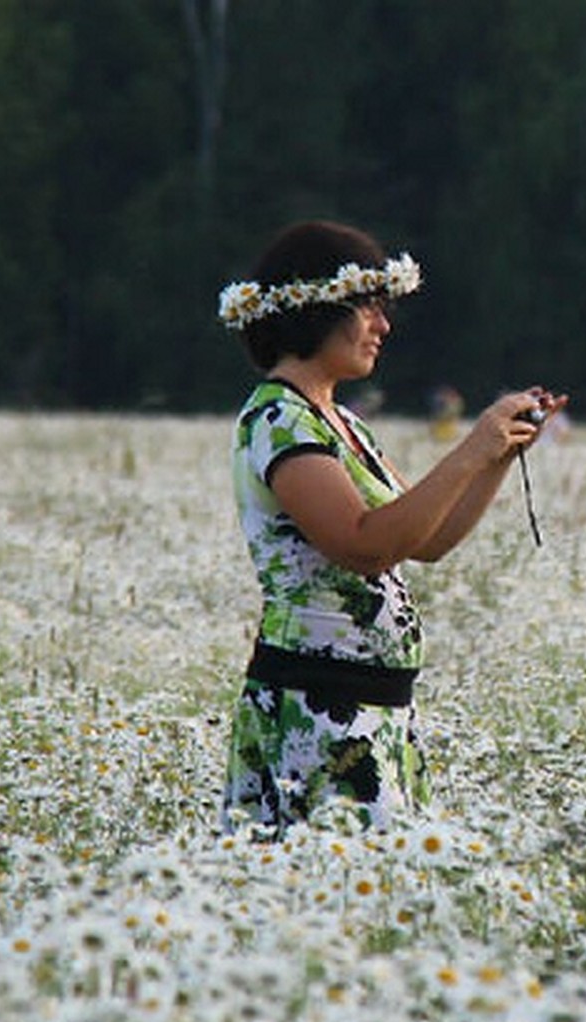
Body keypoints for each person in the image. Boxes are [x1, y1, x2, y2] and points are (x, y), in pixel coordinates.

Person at [217, 219, 567, 835]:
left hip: (377, 712)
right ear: (316, 310)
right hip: (317, 713)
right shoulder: (279, 420)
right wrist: (470, 447)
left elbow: (425, 540)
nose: (383, 327)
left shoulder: (339, 423)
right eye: (368, 309)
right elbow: (366, 544)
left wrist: (495, 454)